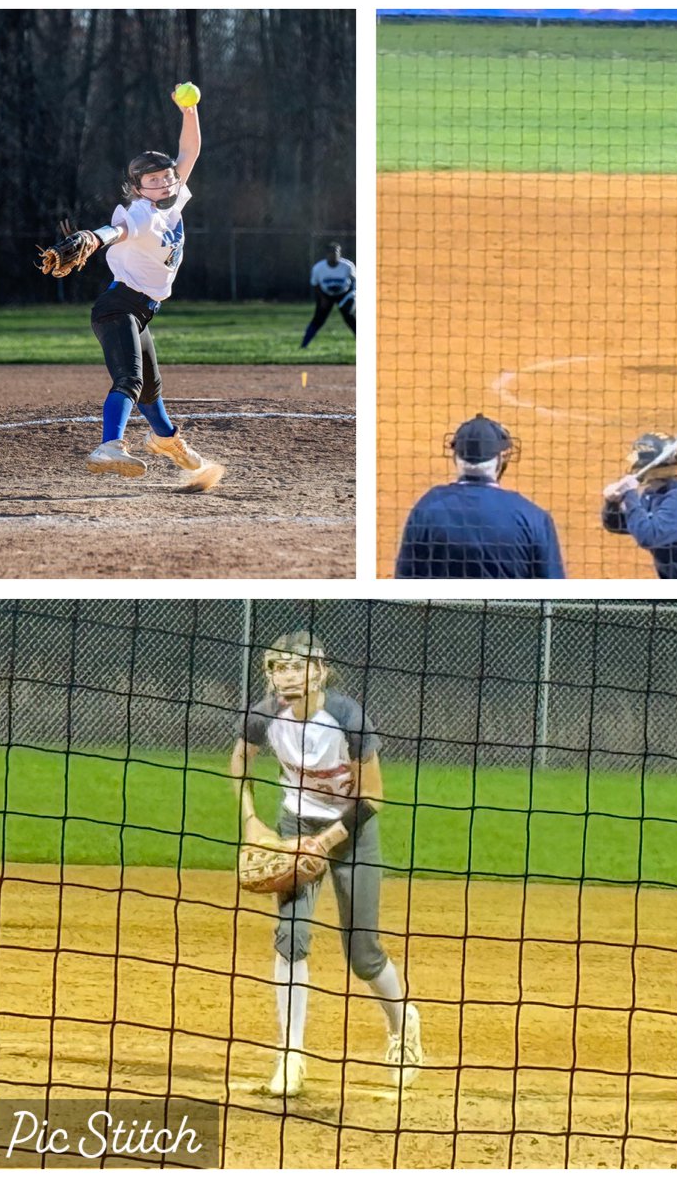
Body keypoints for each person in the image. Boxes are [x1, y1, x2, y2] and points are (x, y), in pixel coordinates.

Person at [230, 631, 422, 1096]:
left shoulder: (348, 719)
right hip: (294, 827)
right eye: (278, 667)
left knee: (363, 953)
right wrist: (252, 821)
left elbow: (373, 796)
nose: (286, 675)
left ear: (320, 670)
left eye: (296, 666)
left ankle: (403, 1026)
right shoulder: (263, 716)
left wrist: (327, 842)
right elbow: (239, 761)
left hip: (352, 833)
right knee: (290, 939)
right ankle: (290, 1056)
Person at [36, 86, 219, 481]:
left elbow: (190, 152)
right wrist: (91, 238)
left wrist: (190, 111)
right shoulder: (140, 215)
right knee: (130, 379)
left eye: (167, 177)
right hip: (117, 308)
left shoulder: (173, 199)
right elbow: (114, 231)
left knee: (150, 389)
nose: (165, 184)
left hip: (141, 312)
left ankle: (167, 438)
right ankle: (109, 446)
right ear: (138, 188)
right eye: (153, 180)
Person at [395, 414, 565, 578]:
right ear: (499, 460)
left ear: (456, 458)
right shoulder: (533, 518)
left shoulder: (426, 510)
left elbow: (404, 579)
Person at [601, 433, 677, 579]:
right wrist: (612, 504)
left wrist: (630, 495)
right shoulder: (652, 494)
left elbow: (648, 536)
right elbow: (619, 524)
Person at [301, 243, 356, 348]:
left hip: (344, 294)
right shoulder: (319, 268)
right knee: (318, 320)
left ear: (340, 253)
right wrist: (322, 298)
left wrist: (352, 296)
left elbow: (356, 281)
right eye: (331, 252)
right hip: (326, 294)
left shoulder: (347, 266)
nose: (333, 254)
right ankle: (304, 345)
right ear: (326, 254)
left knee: (351, 320)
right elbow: (315, 284)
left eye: (336, 252)